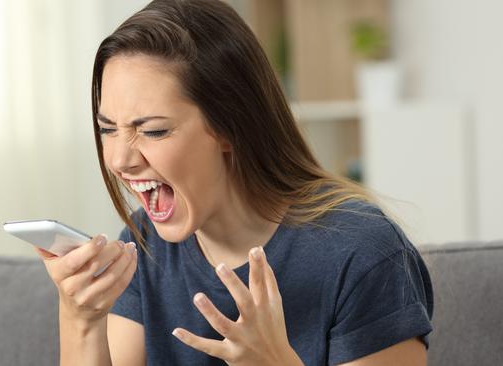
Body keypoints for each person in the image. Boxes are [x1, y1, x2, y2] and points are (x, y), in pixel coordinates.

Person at [36, 0, 434, 365]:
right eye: (108, 129)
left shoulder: (362, 253)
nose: (120, 160)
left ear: (230, 126)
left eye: (154, 131)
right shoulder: (144, 244)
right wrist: (82, 320)